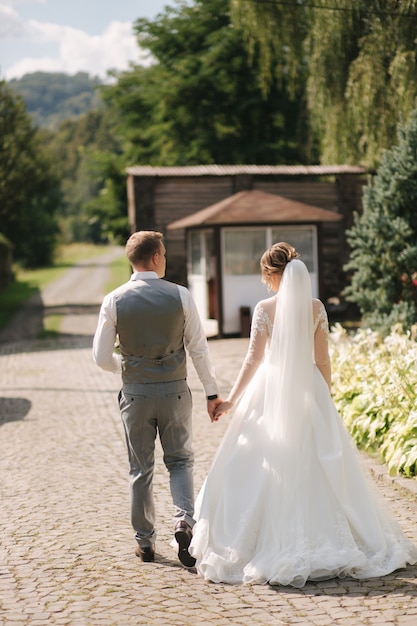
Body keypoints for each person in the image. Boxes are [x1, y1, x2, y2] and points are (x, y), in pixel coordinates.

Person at [189, 242, 417, 586]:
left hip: (270, 389)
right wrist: (324, 395)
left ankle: (254, 542)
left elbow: (253, 359)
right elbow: (322, 360)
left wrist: (233, 400)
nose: (265, 283)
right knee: (321, 463)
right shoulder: (316, 308)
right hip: (309, 388)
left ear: (272, 274)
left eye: (266, 276)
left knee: (262, 461)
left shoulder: (264, 309)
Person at [92, 230, 222, 567]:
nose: (165, 259)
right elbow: (198, 348)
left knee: (141, 468)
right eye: (163, 253)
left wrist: (126, 366)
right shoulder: (181, 296)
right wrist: (211, 391)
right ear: (154, 257)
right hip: (175, 390)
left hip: (135, 393)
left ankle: (145, 544)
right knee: (179, 461)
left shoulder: (114, 300)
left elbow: (100, 356)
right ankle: (183, 521)